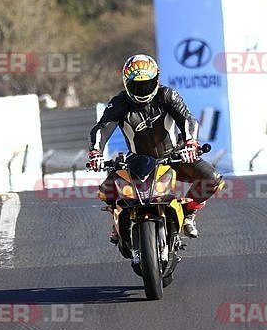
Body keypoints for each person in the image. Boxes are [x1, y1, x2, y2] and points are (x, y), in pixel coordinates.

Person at [88, 54, 223, 242]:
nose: (142, 90)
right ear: (126, 83)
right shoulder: (119, 103)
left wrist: (191, 143)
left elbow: (187, 119)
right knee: (107, 190)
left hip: (174, 157)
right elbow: (102, 128)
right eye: (137, 86)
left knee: (211, 178)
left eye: (147, 84)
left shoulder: (167, 95)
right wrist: (96, 152)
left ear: (157, 79)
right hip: (137, 162)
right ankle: (117, 218)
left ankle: (188, 214)